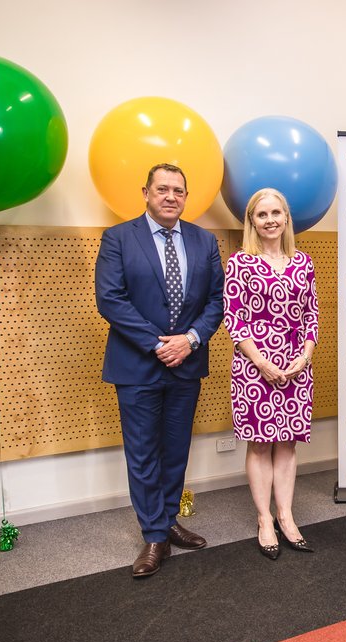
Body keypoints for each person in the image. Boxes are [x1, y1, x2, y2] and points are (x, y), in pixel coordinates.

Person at [95, 163, 225, 578]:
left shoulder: (204, 241)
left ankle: (168, 520)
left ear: (186, 197)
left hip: (186, 364)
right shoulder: (119, 238)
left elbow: (216, 302)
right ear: (146, 193)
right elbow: (111, 300)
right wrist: (157, 344)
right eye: (163, 189)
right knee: (143, 453)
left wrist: (189, 340)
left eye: (178, 191)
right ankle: (153, 535)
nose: (171, 196)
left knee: (175, 450)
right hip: (137, 365)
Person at [224, 188, 319, 560]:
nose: (270, 220)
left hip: (296, 366)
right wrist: (262, 362)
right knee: (261, 444)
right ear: (252, 222)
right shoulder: (239, 263)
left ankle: (287, 515)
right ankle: (265, 519)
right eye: (261, 215)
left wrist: (306, 356)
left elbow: (311, 314)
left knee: (288, 444)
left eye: (276, 213)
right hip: (254, 366)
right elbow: (235, 320)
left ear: (286, 218)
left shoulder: (303, 262)